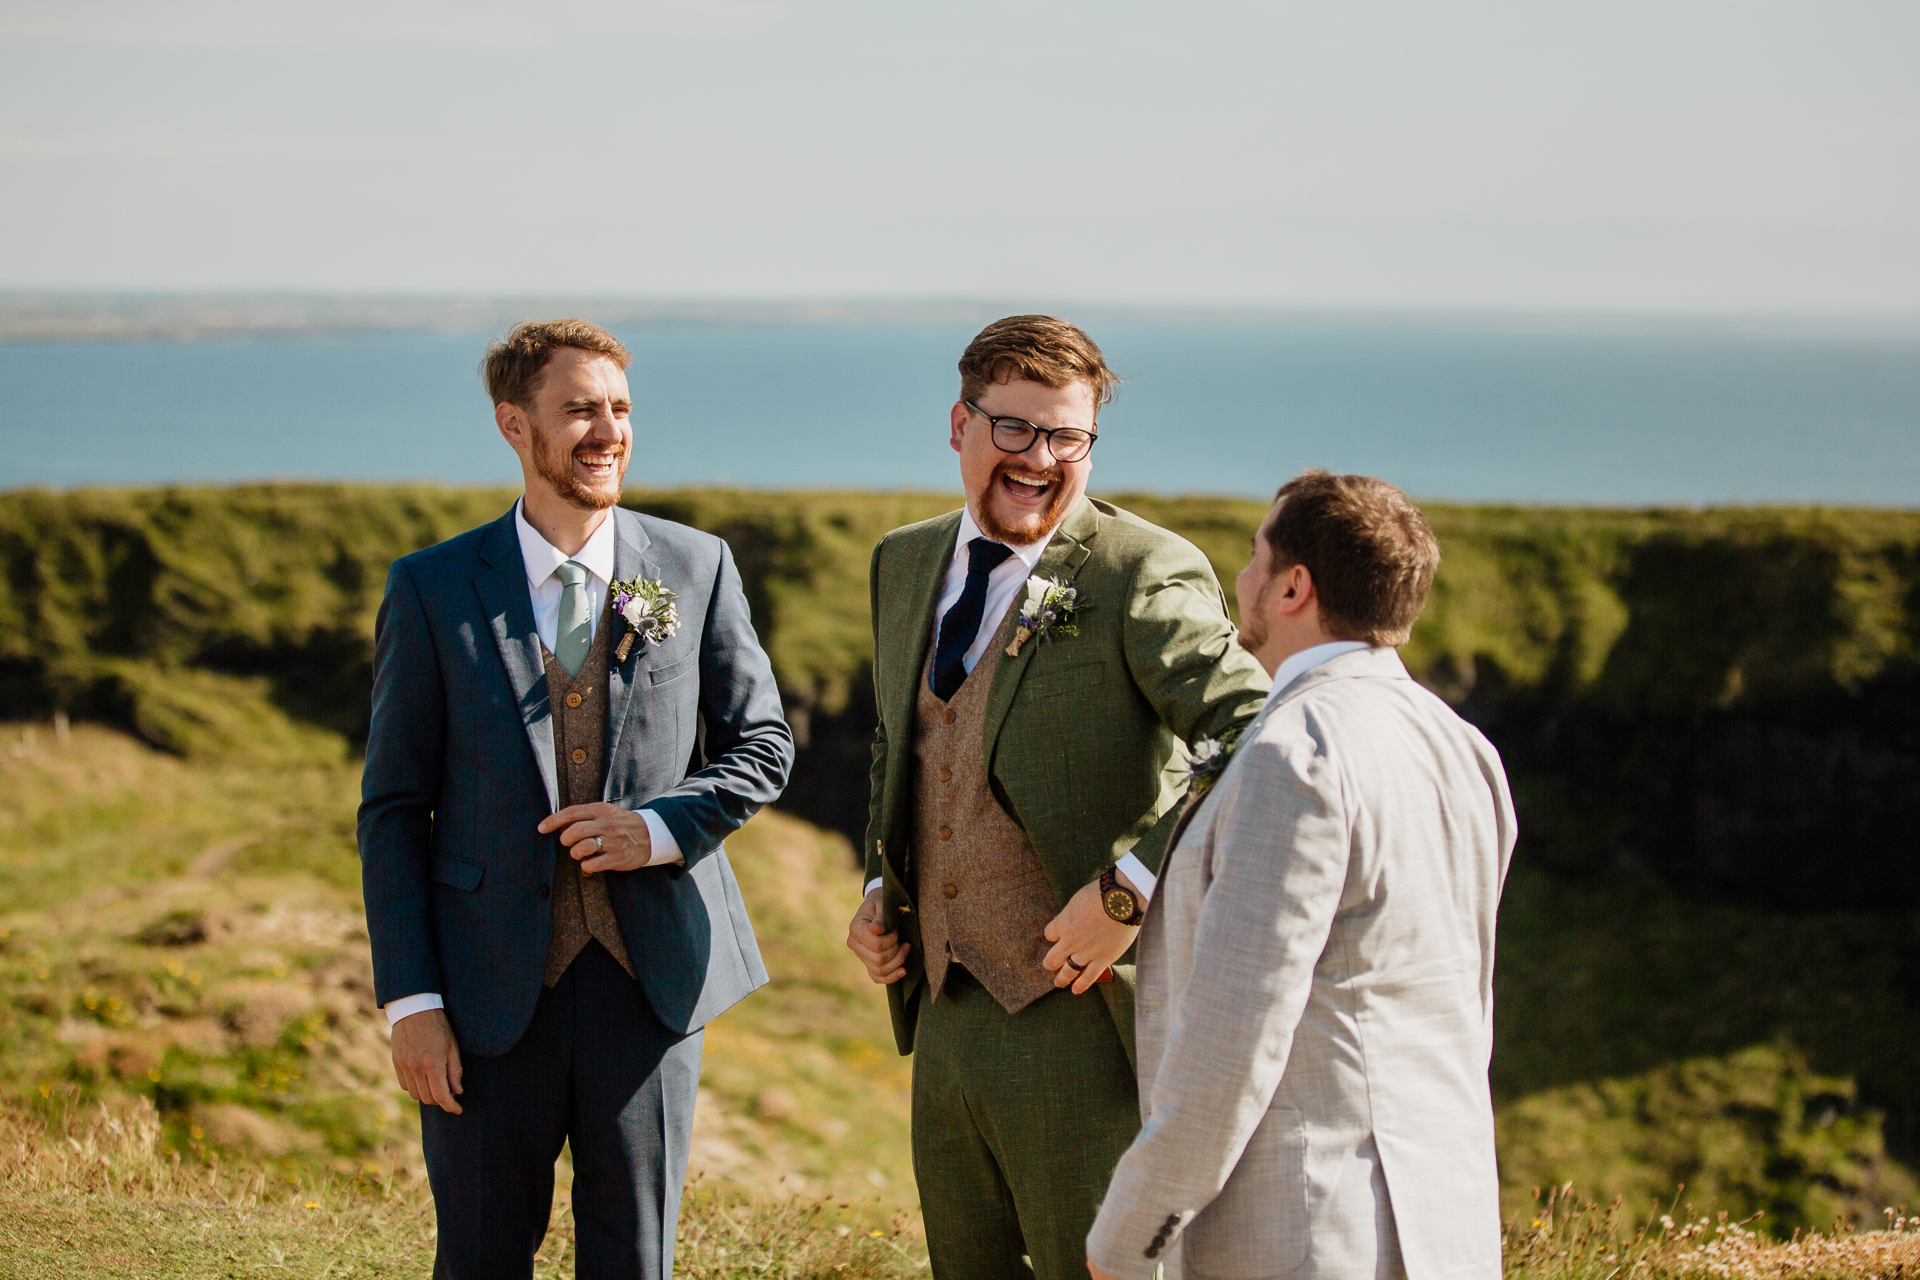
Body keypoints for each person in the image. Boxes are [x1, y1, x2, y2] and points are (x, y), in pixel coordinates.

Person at [357, 319, 794, 1280]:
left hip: (653, 986)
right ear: (515, 424)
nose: (609, 432)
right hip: (482, 992)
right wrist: (411, 1003)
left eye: (621, 409)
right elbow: (393, 810)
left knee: (635, 1261)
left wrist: (658, 829)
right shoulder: (431, 588)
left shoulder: (693, 564)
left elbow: (764, 745)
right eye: (580, 410)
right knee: (477, 1258)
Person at [845, 315, 1271, 1280]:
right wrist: (884, 886)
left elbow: (1256, 735)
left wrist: (1132, 889)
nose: (1041, 460)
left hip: (1084, 1026)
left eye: (1067, 437)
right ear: (959, 425)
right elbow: (901, 746)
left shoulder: (1138, 570)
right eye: (1015, 431)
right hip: (945, 1021)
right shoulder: (903, 561)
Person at [1085, 470, 1516, 1280]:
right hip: (1443, 1216)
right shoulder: (1464, 748)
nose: (1239, 578)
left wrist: (1130, 1234)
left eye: (1254, 557)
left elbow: (1234, 1037)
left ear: (1293, 587)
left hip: (1310, 1230)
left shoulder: (1292, 757)